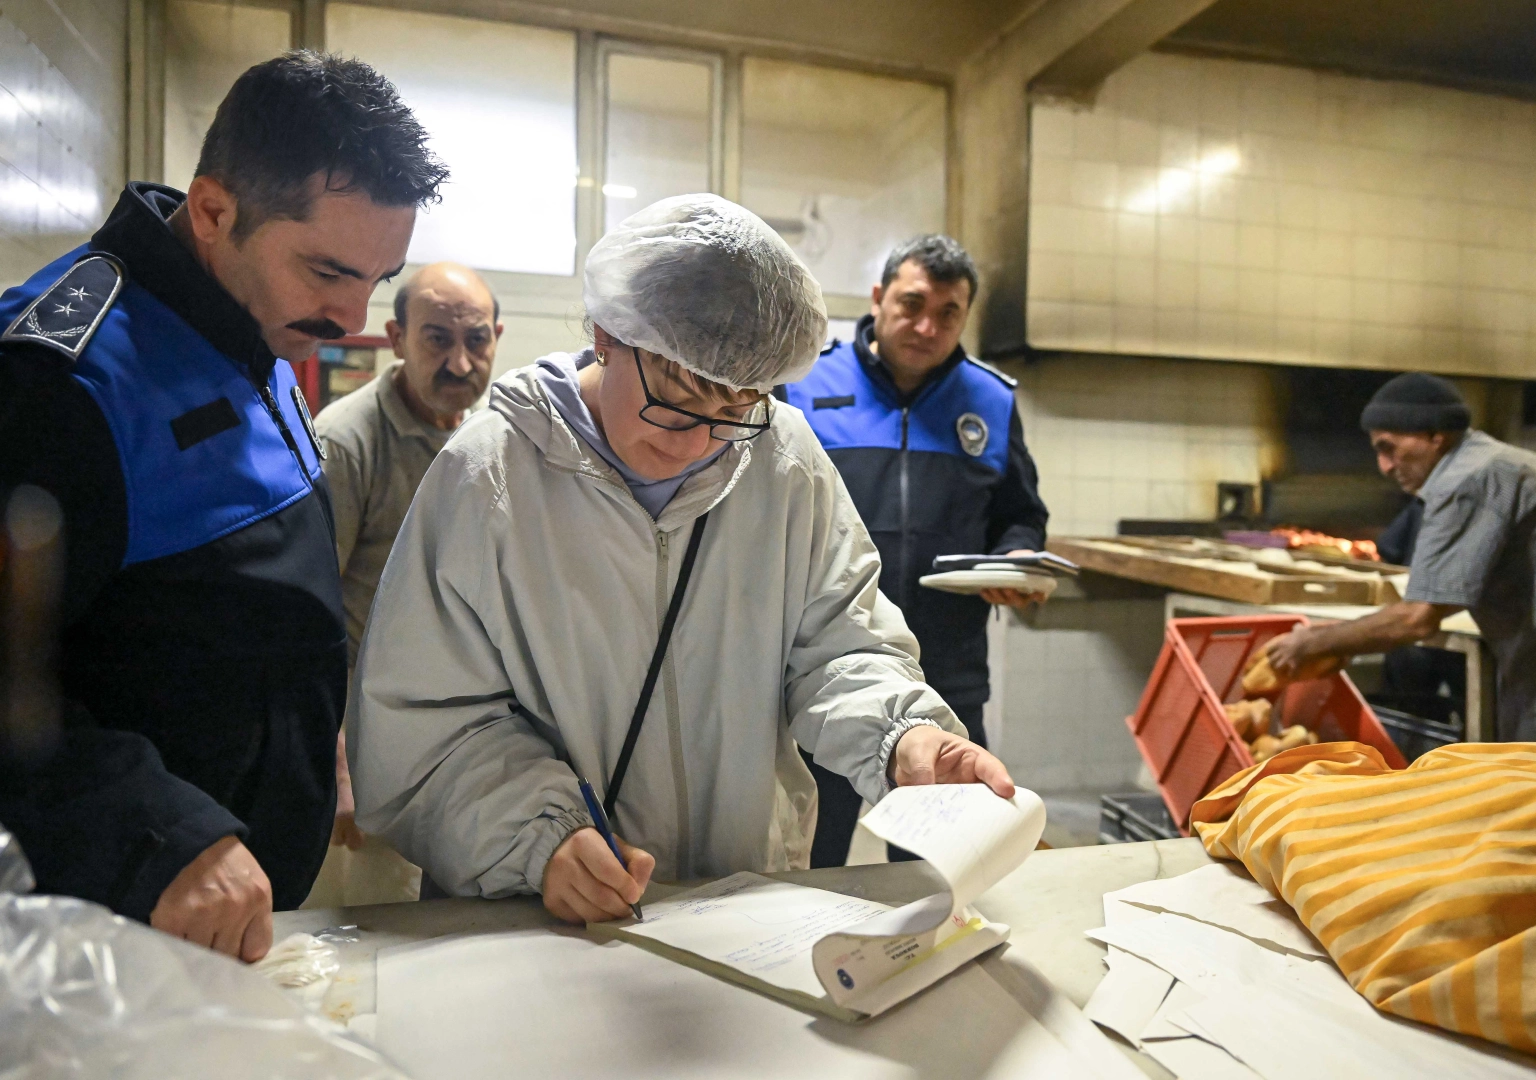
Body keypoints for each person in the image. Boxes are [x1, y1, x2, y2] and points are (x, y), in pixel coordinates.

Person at [348, 195, 1015, 924]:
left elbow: (835, 646)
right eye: (679, 396)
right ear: (607, 333)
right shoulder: (490, 477)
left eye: (736, 406)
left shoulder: (784, 460)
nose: (698, 443)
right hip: (535, 914)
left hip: (737, 906)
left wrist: (901, 736)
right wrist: (535, 837)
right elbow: (424, 724)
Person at [0, 51, 445, 960]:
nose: (354, 316)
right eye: (327, 270)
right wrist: (154, 830)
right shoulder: (57, 379)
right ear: (212, 211)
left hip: (231, 929)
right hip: (107, 931)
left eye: (378, 279)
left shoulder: (254, 334)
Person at [781, 235, 1047, 867]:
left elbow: (1021, 517)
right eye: (912, 303)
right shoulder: (806, 383)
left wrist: (1015, 561)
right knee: (811, 856)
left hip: (948, 667)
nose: (927, 326)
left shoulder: (991, 401)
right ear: (878, 298)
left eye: (948, 313)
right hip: (827, 669)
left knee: (938, 864)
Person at [1262, 372, 1536, 754]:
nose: (1384, 466)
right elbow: (1439, 601)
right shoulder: (1488, 462)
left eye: (1390, 448)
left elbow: (1418, 617)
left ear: (1436, 436)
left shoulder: (1468, 479)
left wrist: (1311, 642)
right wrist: (1348, 638)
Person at [305, 262, 501, 906]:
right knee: (367, 941)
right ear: (395, 337)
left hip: (452, 742)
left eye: (476, 340)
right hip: (363, 746)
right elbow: (308, 614)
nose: (460, 362)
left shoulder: (487, 438)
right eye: (437, 339)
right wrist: (336, 757)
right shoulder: (346, 442)